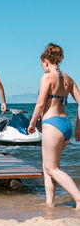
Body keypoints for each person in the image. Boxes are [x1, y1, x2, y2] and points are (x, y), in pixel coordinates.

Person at [28, 43, 80, 209]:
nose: (42, 68)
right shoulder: (68, 79)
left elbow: (41, 103)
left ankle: (79, 198)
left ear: (46, 61)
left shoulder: (47, 77)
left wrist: (31, 123)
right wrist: (78, 127)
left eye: (42, 65)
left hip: (52, 125)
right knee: (48, 166)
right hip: (65, 125)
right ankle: (49, 203)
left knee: (52, 168)